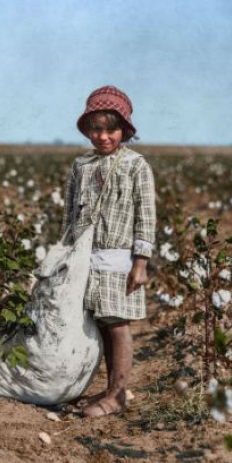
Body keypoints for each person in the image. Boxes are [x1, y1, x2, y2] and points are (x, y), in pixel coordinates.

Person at [63, 86, 156, 418]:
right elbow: (69, 213)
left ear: (125, 131)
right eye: (97, 129)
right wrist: (67, 252)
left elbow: (146, 214)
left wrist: (141, 263)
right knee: (99, 323)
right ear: (88, 130)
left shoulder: (135, 165)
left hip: (119, 258)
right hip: (86, 256)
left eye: (111, 130)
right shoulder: (81, 166)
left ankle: (118, 394)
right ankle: (108, 388)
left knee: (117, 324)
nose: (104, 137)